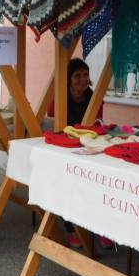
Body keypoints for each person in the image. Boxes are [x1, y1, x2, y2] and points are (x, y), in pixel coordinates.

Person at [47, 58, 108, 249]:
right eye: (77, 76)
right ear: (68, 78)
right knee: (68, 184)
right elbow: (52, 123)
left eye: (85, 75)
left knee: (98, 182)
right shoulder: (60, 97)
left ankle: (100, 228)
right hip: (64, 147)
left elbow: (97, 125)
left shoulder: (94, 97)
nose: (82, 79)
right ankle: (71, 229)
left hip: (87, 146)